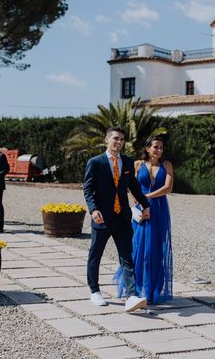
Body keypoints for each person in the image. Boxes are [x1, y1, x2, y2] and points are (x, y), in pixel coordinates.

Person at [83, 126, 151, 312]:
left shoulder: (128, 163)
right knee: (95, 254)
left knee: (126, 256)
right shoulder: (95, 163)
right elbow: (88, 189)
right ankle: (94, 291)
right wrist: (93, 209)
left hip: (122, 218)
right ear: (106, 139)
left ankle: (131, 296)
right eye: (115, 138)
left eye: (121, 139)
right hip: (102, 217)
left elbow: (135, 188)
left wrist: (146, 205)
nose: (118, 142)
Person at [115, 136, 174, 304]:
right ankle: (135, 288)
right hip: (140, 209)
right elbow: (128, 185)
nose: (159, 150)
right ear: (147, 148)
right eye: (156, 147)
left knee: (155, 249)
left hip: (159, 210)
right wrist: (139, 200)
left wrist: (146, 196)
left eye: (161, 147)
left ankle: (152, 290)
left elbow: (168, 187)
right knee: (138, 247)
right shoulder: (137, 165)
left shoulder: (167, 165)